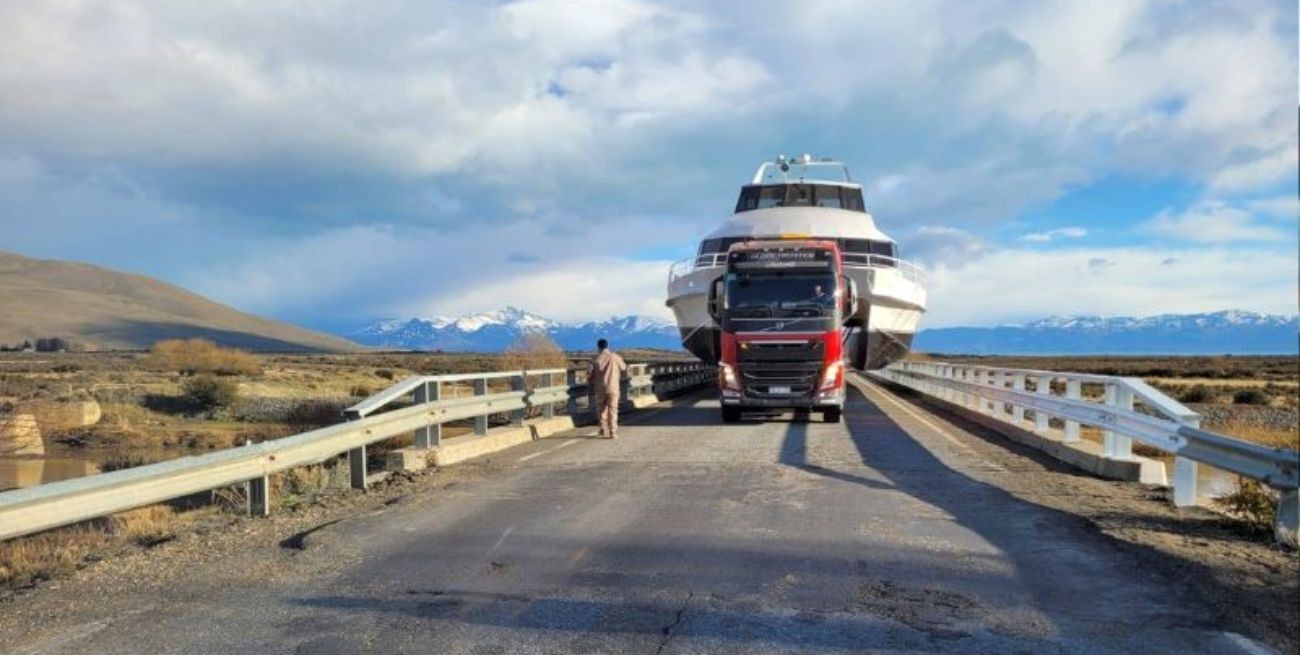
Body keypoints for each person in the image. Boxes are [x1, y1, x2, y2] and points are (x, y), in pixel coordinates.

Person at [588, 338, 627, 439]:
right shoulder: (615, 357)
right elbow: (623, 368)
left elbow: (589, 374)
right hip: (613, 387)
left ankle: (603, 429)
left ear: (598, 347)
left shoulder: (595, 359)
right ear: (607, 346)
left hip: (600, 388)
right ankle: (613, 432)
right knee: (613, 409)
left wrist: (590, 381)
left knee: (601, 409)